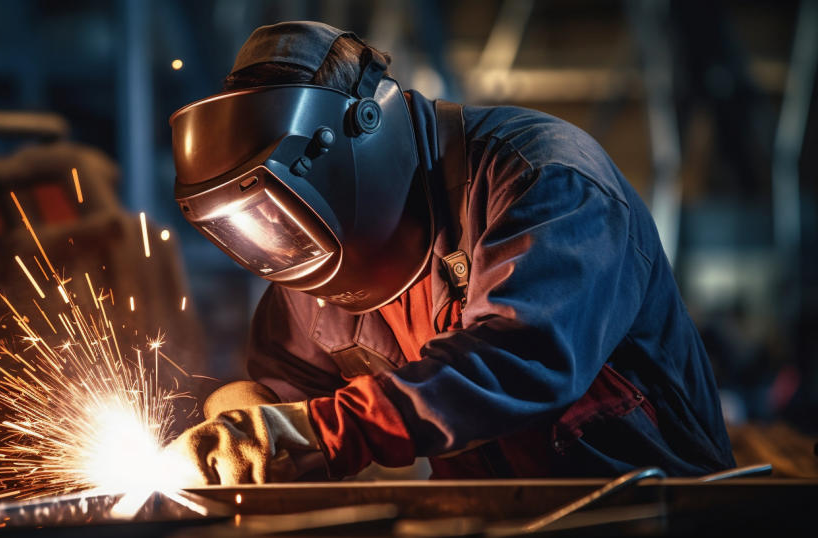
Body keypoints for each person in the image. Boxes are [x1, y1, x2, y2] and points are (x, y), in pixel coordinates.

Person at [165, 21, 736, 485]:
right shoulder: (311, 264)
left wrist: (321, 433)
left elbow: (522, 358)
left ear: (362, 133)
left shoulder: (543, 179)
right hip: (493, 519)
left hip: (653, 510)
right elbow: (288, 398)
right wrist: (247, 411)